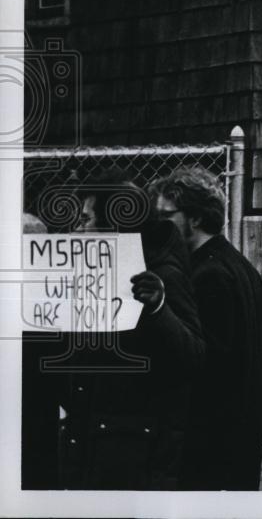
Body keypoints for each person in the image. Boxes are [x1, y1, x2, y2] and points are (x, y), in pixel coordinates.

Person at [57, 169, 205, 489]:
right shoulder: (89, 276)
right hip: (93, 441)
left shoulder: (161, 275)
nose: (76, 229)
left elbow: (191, 355)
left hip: (132, 454)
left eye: (85, 220)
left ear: (112, 227)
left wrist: (157, 308)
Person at [154, 166, 262, 490]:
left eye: (166, 215)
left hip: (208, 449)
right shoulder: (241, 267)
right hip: (239, 443)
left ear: (194, 218)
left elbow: (204, 362)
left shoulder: (206, 276)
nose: (159, 225)